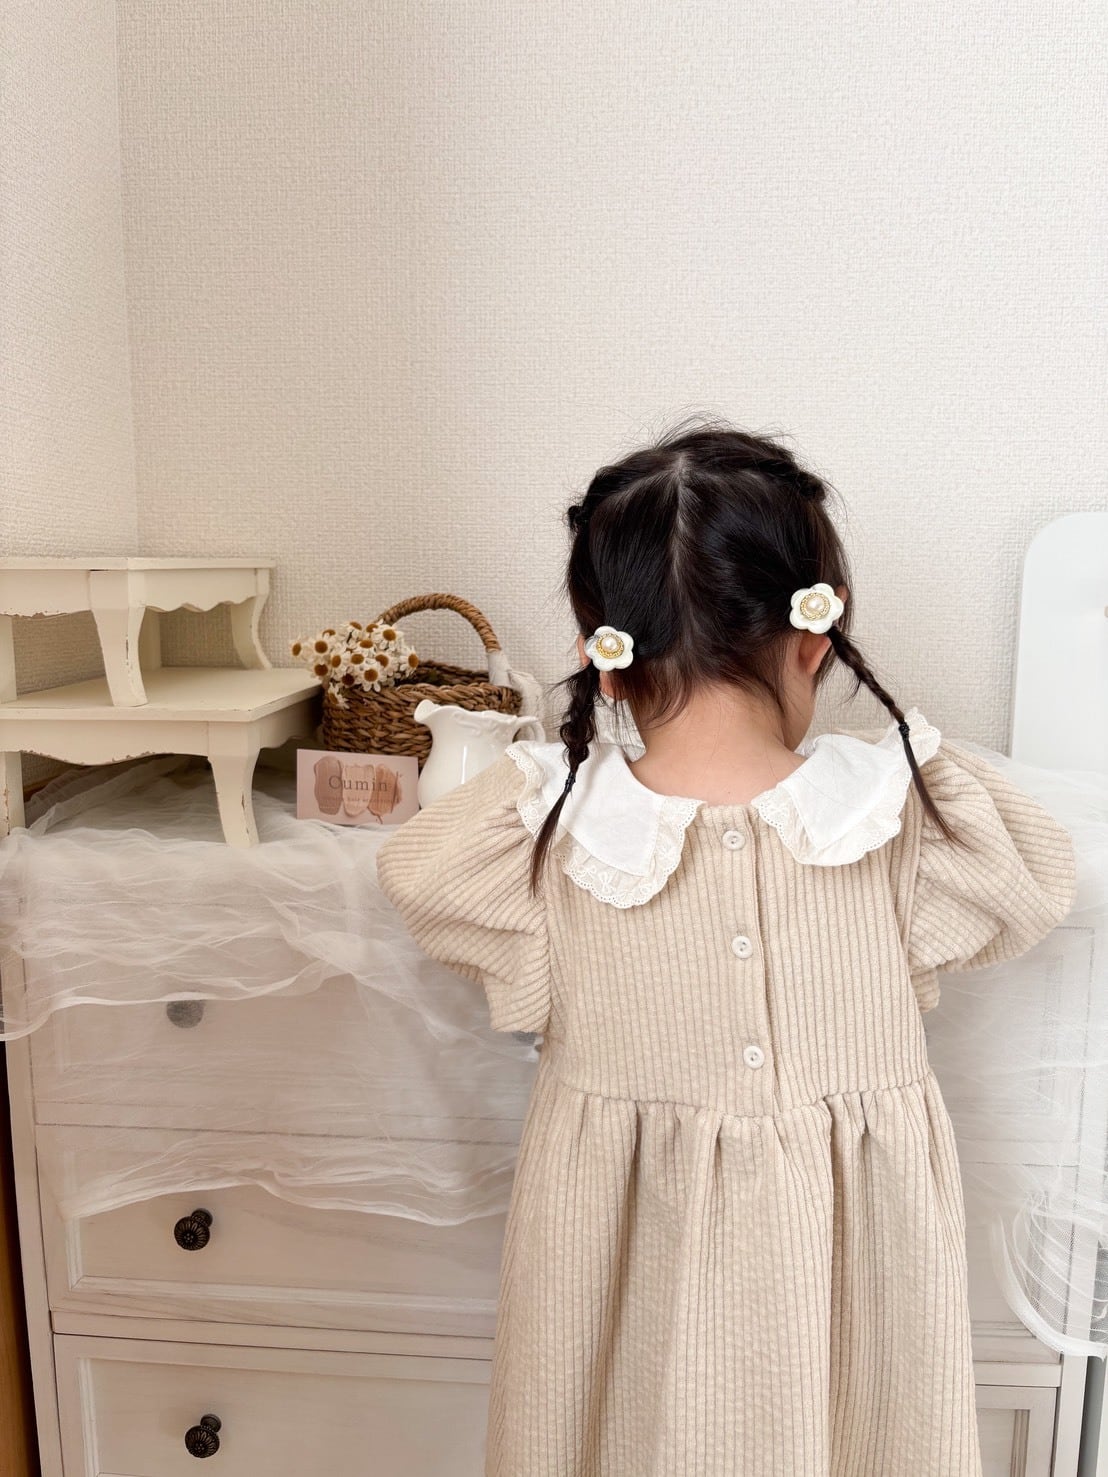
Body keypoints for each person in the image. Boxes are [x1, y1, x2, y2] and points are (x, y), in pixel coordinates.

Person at [374, 418, 1077, 1477]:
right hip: (859, 1291)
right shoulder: (904, 814)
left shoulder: (541, 831)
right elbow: (1037, 879)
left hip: (620, 1290)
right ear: (815, 634)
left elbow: (415, 872)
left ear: (605, 655)